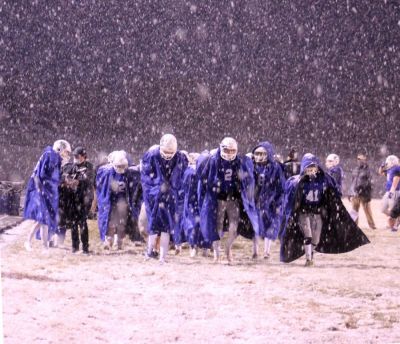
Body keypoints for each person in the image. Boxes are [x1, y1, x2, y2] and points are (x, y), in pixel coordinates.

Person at [280, 153, 370, 266]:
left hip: (317, 212)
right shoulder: (297, 182)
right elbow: (289, 196)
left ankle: (310, 253)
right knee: (308, 235)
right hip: (303, 212)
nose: (311, 170)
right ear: (304, 168)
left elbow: (333, 191)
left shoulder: (324, 179)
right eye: (309, 167)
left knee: (316, 240)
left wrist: (333, 198)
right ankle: (309, 260)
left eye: (313, 167)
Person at [198, 137, 259, 263]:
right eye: (227, 150)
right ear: (221, 148)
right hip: (218, 198)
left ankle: (228, 249)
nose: (230, 153)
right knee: (217, 225)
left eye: (232, 151)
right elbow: (204, 180)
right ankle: (216, 253)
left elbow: (248, 180)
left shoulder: (241, 161)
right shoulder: (214, 160)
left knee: (234, 226)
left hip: (234, 198)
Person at [141, 134, 188, 263]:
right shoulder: (152, 156)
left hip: (170, 196)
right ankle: (150, 251)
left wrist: (171, 189)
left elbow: (181, 177)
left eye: (170, 152)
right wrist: (158, 188)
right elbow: (146, 179)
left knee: (167, 227)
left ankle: (162, 257)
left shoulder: (180, 158)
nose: (167, 155)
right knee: (154, 226)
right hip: (155, 196)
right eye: (165, 152)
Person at [23, 140, 71, 251]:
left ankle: (43, 246)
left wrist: (63, 179)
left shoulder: (53, 157)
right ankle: (31, 242)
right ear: (59, 149)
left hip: (45, 189)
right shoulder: (51, 155)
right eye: (65, 152)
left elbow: (54, 177)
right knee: (43, 218)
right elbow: (43, 176)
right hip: (41, 189)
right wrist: (43, 189)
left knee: (44, 219)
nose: (67, 155)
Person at [96, 150, 137, 250]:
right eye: (119, 166)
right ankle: (108, 240)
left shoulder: (129, 172)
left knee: (121, 222)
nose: (121, 168)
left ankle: (118, 241)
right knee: (110, 222)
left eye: (123, 166)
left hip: (122, 200)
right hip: (110, 200)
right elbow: (101, 187)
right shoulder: (106, 172)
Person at [251, 142, 285, 259]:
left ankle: (267, 251)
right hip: (256, 201)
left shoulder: (275, 167)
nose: (259, 156)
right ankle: (255, 251)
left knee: (270, 227)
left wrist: (278, 202)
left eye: (263, 153)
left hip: (271, 201)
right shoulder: (251, 166)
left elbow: (281, 186)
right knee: (255, 226)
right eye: (257, 153)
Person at [69, 146, 94, 253]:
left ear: (84, 156)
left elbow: (87, 180)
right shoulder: (73, 166)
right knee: (73, 222)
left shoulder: (89, 166)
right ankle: (75, 246)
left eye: (77, 156)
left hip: (84, 198)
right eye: (74, 156)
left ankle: (85, 247)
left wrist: (76, 180)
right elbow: (67, 177)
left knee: (82, 222)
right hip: (74, 198)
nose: (75, 158)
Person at [349, 152, 376, 229]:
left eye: (361, 159)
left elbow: (371, 183)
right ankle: (354, 226)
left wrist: (367, 192)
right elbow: (353, 182)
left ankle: (372, 226)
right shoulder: (355, 169)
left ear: (365, 159)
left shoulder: (368, 170)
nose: (359, 160)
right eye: (358, 159)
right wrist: (350, 193)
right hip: (355, 193)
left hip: (364, 194)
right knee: (354, 210)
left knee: (367, 210)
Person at [379, 155, 400, 231]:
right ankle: (395, 219)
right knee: (383, 208)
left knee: (392, 208)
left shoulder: (397, 168)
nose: (387, 163)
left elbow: (396, 179)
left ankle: (394, 225)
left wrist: (392, 191)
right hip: (388, 191)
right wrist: (382, 166)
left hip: (395, 191)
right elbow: (380, 172)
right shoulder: (390, 169)